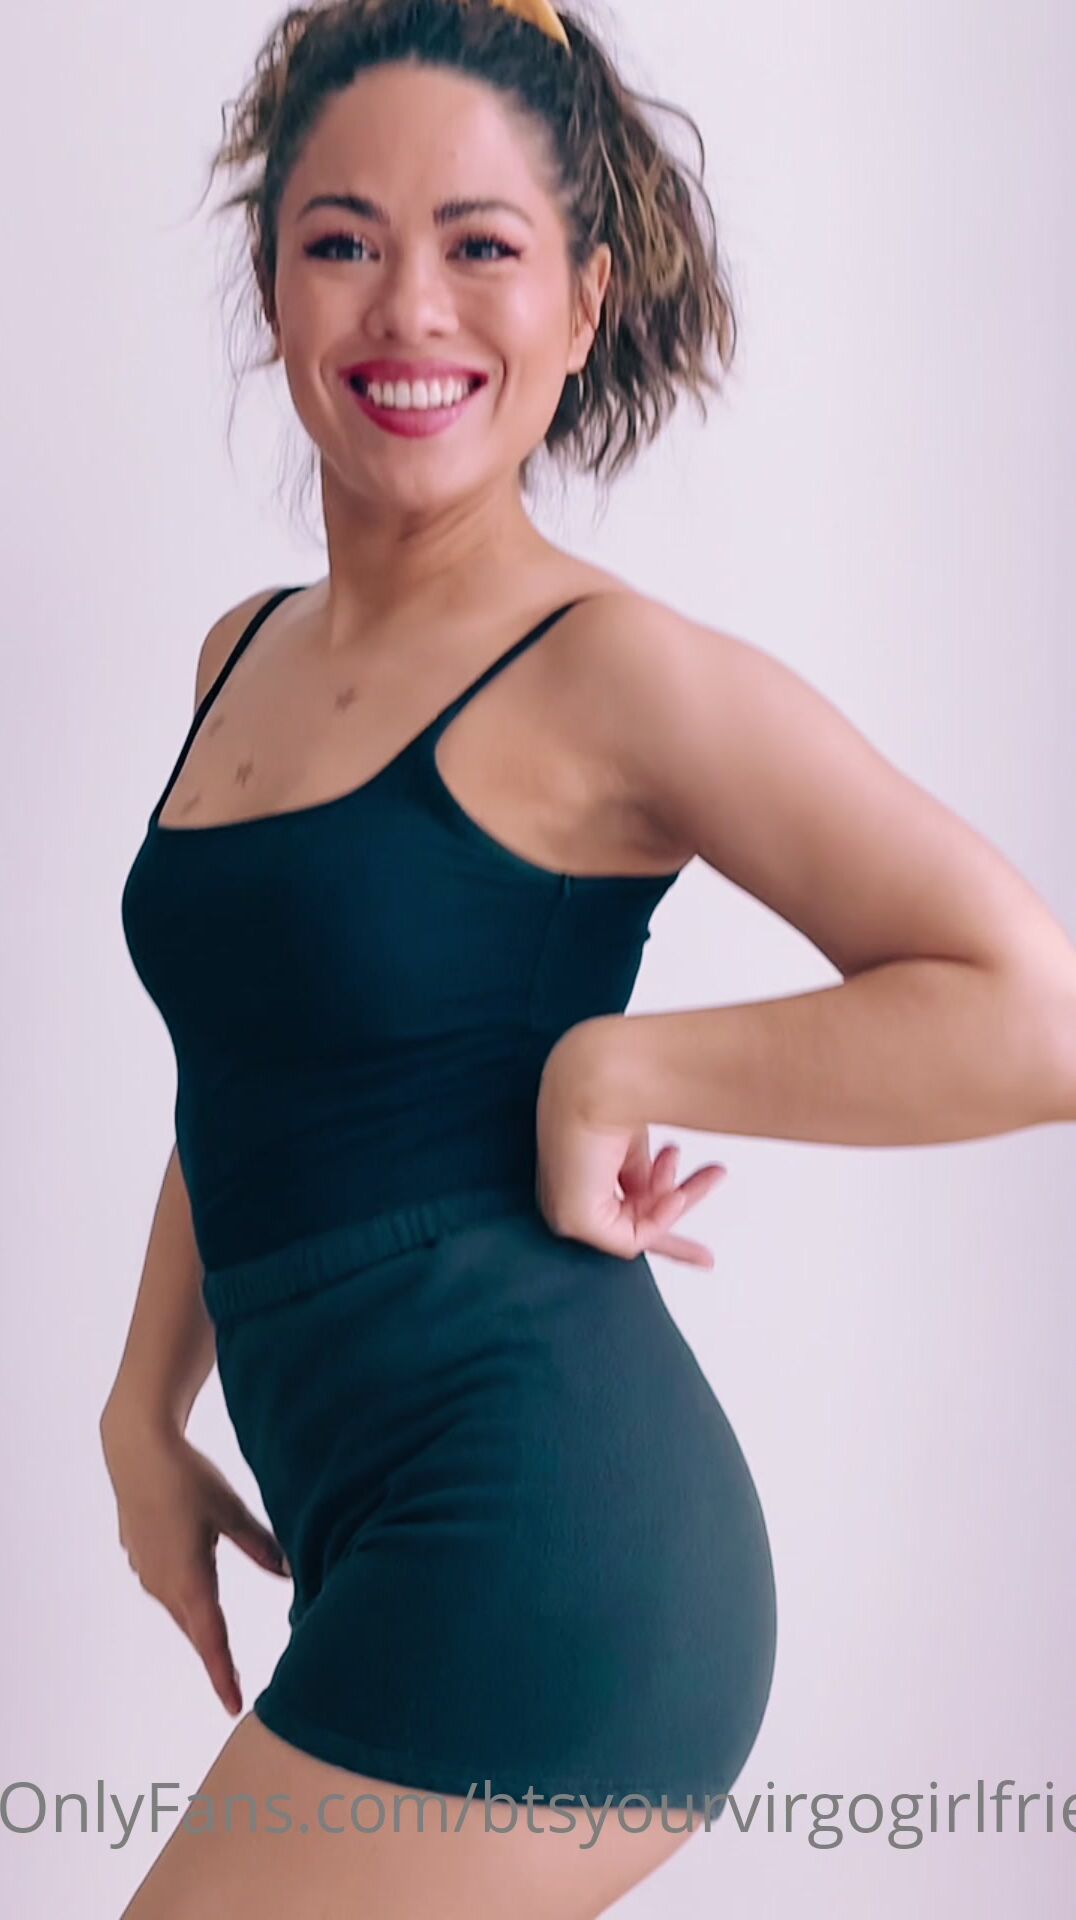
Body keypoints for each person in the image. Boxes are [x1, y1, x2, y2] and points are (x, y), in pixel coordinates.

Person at [100, 1, 1076, 1914]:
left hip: (548, 1539)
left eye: (482, 245)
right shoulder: (240, 651)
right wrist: (144, 1409)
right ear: (273, 277)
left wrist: (616, 1068)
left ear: (583, 298)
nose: (409, 307)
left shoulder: (611, 672)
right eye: (342, 239)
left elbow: (1035, 1014)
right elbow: (258, 1068)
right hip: (369, 1511)